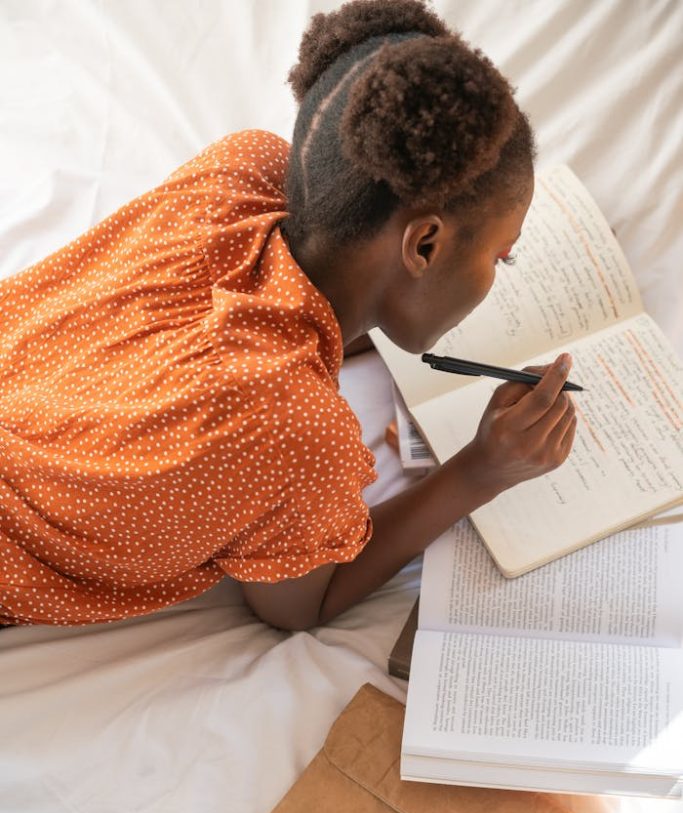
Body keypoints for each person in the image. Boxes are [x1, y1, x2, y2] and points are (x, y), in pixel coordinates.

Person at [0, 0, 575, 630]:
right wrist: (480, 472)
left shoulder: (242, 167)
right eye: (502, 256)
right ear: (425, 246)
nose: (498, 274)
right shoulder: (299, 433)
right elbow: (300, 606)